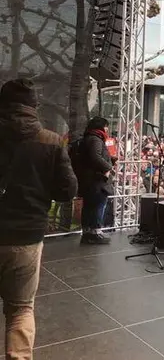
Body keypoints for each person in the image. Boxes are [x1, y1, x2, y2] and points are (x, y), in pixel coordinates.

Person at [0, 78, 78, 360]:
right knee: (20, 308)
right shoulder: (51, 141)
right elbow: (67, 191)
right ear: (34, 106)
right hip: (26, 236)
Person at [73, 117, 115, 245]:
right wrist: (108, 167)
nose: (107, 129)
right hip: (96, 180)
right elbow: (95, 157)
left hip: (89, 180)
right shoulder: (95, 139)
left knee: (89, 206)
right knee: (98, 206)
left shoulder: (88, 138)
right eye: (106, 126)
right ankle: (95, 233)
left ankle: (87, 233)